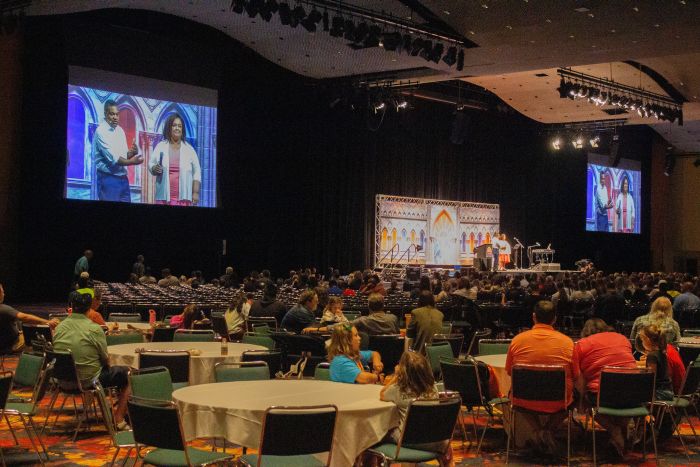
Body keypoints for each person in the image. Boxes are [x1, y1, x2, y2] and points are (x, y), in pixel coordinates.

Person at [505, 300, 574, 455]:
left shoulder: (517, 340)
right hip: (558, 401)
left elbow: (510, 372)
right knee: (575, 397)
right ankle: (547, 432)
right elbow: (575, 375)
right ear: (554, 319)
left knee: (517, 396)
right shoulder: (568, 343)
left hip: (523, 399)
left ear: (534, 317)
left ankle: (538, 432)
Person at [53, 293, 131, 429]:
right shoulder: (94, 329)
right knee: (128, 374)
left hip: (62, 381)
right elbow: (105, 359)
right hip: (87, 382)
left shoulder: (59, 327)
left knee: (109, 372)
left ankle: (111, 412)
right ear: (90, 308)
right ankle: (118, 419)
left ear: (71, 307)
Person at [573, 318, 636, 456]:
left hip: (603, 395)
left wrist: (581, 399)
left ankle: (614, 430)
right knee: (622, 401)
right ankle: (621, 435)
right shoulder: (623, 339)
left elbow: (579, 377)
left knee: (589, 402)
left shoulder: (581, 344)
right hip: (633, 394)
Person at [380, 351, 454, 466]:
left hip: (407, 440)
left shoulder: (397, 389)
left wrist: (395, 376)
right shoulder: (433, 388)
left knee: (380, 430)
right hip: (435, 440)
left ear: (403, 372)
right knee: (446, 445)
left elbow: (382, 394)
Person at [92, 100, 144, 202]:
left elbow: (123, 156)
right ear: (105, 114)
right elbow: (114, 159)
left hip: (123, 179)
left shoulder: (120, 130)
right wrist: (133, 162)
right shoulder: (101, 131)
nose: (115, 117)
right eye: (112, 114)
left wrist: (132, 152)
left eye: (117, 114)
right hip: (108, 179)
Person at [150, 113, 202, 206]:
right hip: (163, 198)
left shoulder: (189, 149)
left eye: (180, 126)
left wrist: (195, 193)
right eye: (174, 125)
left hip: (184, 199)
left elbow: (197, 172)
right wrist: (154, 168)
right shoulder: (161, 146)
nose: (177, 128)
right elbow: (151, 164)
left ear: (182, 129)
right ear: (169, 128)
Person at [0, 282, 59, 351]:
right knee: (42, 341)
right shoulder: (3, 309)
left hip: (7, 342)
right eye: (3, 292)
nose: (4, 294)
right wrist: (48, 322)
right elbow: (25, 317)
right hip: (12, 345)